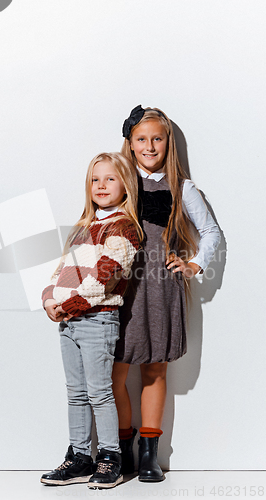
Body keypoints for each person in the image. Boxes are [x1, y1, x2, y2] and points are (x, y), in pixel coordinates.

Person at [112, 106, 221, 482]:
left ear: (167, 142)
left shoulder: (182, 187)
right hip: (120, 287)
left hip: (160, 285)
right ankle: (121, 447)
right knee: (115, 369)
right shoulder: (118, 180)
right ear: (130, 142)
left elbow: (212, 233)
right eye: (141, 138)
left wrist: (193, 265)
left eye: (157, 138)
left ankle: (149, 453)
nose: (149, 145)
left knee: (154, 369)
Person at [40, 152, 143, 489]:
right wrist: (49, 298)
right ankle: (80, 457)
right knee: (76, 393)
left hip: (97, 319)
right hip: (69, 322)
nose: (101, 185)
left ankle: (110, 457)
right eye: (95, 179)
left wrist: (68, 305)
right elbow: (63, 272)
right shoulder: (84, 228)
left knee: (100, 392)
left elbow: (105, 278)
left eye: (110, 178)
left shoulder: (123, 228)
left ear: (125, 186)